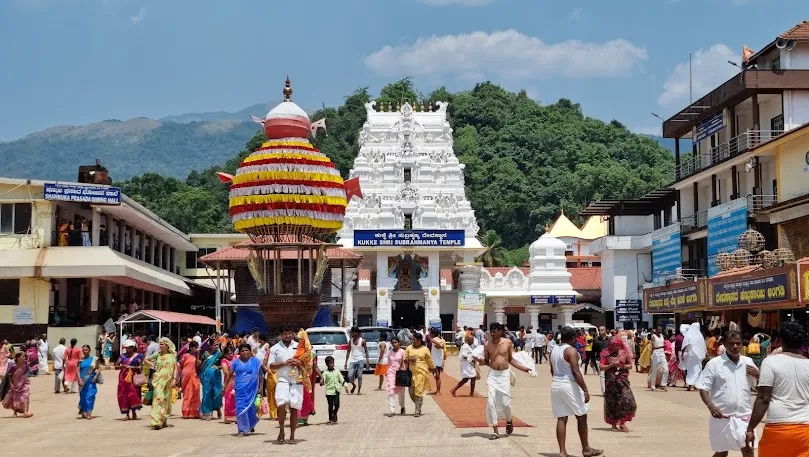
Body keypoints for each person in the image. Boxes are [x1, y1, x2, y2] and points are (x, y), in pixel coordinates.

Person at [746, 321, 809, 457]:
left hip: (778, 428)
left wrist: (750, 428)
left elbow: (763, 399)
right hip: (806, 430)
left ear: (780, 340)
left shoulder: (771, 362)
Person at [696, 330, 759, 457]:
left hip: (744, 417)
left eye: (738, 343)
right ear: (724, 344)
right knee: (722, 452)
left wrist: (759, 375)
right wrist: (711, 406)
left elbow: (760, 387)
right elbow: (703, 387)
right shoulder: (714, 364)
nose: (735, 346)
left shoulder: (748, 363)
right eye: (731, 343)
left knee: (748, 450)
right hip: (722, 418)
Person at [551, 326, 602, 457]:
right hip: (569, 385)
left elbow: (552, 370)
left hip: (556, 385)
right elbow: (576, 371)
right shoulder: (571, 351)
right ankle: (586, 448)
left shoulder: (554, 349)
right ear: (573, 338)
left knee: (562, 417)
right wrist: (585, 389)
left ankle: (562, 452)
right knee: (582, 416)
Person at [483, 322, 530, 439]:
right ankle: (495, 430)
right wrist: (477, 360)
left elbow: (511, 360)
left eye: (494, 331)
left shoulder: (507, 342)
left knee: (505, 403)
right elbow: (486, 361)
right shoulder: (487, 344)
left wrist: (523, 369)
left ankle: (509, 420)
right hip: (492, 376)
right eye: (491, 331)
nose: (492, 334)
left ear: (500, 332)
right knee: (491, 402)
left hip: (504, 376)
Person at [269, 324, 303, 443]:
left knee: (294, 408)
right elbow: (271, 365)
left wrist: (298, 362)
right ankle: (282, 430)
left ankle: (292, 436)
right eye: (285, 334)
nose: (288, 336)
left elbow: (306, 362)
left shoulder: (299, 346)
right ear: (281, 335)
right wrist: (284, 363)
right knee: (281, 405)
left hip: (296, 381)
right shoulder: (275, 348)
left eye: (289, 333)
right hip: (282, 380)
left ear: (292, 334)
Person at [600, 335, 637, 432]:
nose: (614, 347)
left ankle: (622, 422)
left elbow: (630, 365)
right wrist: (611, 365)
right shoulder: (606, 354)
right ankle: (614, 424)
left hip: (623, 381)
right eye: (612, 345)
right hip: (611, 382)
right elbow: (601, 367)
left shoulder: (624, 353)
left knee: (628, 400)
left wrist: (623, 366)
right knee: (612, 402)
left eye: (616, 345)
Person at [232, 343, 267, 437]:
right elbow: (229, 375)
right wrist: (224, 388)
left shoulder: (255, 361)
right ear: (239, 352)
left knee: (251, 409)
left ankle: (250, 425)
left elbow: (261, 376)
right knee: (240, 408)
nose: (245, 352)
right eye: (242, 351)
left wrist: (260, 389)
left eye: (247, 350)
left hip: (252, 390)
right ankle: (242, 429)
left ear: (250, 351)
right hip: (240, 390)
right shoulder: (235, 362)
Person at [145, 337, 177, 430]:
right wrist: (153, 365)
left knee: (166, 400)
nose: (161, 346)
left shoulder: (172, 355)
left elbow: (175, 368)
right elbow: (146, 359)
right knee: (158, 399)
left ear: (167, 345)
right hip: (158, 380)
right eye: (160, 344)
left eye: (162, 344)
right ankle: (157, 421)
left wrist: (175, 379)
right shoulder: (157, 354)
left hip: (168, 381)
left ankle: (164, 420)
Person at [403, 333, 434, 417]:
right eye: (412, 339)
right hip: (411, 373)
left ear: (419, 340)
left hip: (421, 372)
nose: (412, 341)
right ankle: (418, 403)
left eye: (414, 339)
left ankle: (417, 410)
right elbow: (404, 359)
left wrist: (433, 368)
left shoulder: (425, 349)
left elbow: (429, 360)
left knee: (418, 391)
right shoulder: (409, 348)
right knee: (411, 392)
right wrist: (409, 359)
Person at [296, 329, 321, 426]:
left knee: (307, 397)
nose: (300, 341)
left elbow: (315, 366)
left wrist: (321, 376)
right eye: (299, 339)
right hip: (297, 376)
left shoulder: (311, 353)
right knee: (298, 396)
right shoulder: (296, 351)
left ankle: (304, 418)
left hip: (308, 378)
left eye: (301, 339)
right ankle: (297, 417)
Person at [116, 340, 143, 420]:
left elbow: (140, 367)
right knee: (124, 394)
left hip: (133, 377)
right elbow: (116, 366)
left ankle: (134, 412)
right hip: (123, 378)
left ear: (133, 348)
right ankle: (127, 414)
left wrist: (132, 367)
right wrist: (121, 367)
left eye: (129, 348)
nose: (128, 349)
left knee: (133, 394)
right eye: (126, 348)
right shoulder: (122, 356)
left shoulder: (137, 356)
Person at [1, 352, 32, 417]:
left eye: (25, 356)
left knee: (25, 396)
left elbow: (29, 359)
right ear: (18, 358)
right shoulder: (14, 366)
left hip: (24, 383)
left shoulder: (25, 364)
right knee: (15, 397)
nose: (24, 358)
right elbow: (9, 375)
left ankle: (25, 412)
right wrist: (11, 384)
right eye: (23, 356)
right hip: (15, 384)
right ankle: (15, 412)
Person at [320, 356, 347, 424]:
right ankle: (330, 419)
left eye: (333, 363)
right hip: (329, 392)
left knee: (337, 404)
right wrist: (321, 382)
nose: (332, 364)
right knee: (330, 406)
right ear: (327, 364)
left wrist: (346, 386)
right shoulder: (325, 373)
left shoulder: (337, 371)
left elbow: (341, 379)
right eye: (331, 363)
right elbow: (323, 381)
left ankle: (334, 413)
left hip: (336, 390)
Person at [200, 343, 223, 421]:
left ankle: (218, 408)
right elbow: (202, 364)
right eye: (214, 345)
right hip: (206, 376)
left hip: (216, 375)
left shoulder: (219, 354)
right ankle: (208, 413)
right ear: (210, 346)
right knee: (207, 393)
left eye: (217, 345)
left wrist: (218, 367)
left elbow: (223, 364)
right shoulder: (206, 354)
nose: (216, 346)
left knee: (217, 393)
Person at [179, 340, 201, 419]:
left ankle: (194, 412)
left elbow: (198, 364)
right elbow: (181, 365)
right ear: (191, 347)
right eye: (195, 347)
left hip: (193, 375)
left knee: (194, 393)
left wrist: (198, 354)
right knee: (187, 394)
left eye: (197, 347)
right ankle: (186, 412)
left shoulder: (195, 356)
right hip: (186, 375)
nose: (196, 349)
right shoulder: (185, 355)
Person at [77, 345, 101, 420]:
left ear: (90, 350)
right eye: (83, 350)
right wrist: (79, 379)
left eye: (86, 350)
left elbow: (99, 368)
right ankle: (83, 411)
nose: (84, 351)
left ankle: (89, 413)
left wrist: (96, 376)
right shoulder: (80, 360)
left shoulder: (94, 359)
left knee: (90, 396)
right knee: (83, 397)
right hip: (82, 381)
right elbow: (77, 370)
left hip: (91, 381)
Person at [385, 337, 407, 417]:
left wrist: (404, 371)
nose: (394, 344)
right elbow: (388, 363)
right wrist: (386, 372)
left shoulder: (402, 352)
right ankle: (392, 410)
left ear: (399, 343)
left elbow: (405, 363)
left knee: (401, 392)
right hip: (391, 373)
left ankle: (402, 406)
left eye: (395, 342)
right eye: (393, 343)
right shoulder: (389, 353)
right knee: (390, 391)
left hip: (400, 374)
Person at [344, 327, 369, 395]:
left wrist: (367, 361)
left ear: (356, 333)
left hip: (360, 360)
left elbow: (366, 351)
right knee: (350, 376)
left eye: (352, 332)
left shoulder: (362, 341)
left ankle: (359, 391)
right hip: (352, 360)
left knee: (359, 376)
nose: (351, 334)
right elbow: (348, 351)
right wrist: (346, 362)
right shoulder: (350, 341)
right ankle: (354, 385)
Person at [684, 322, 708, 391]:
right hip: (697, 356)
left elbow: (685, 345)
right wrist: (704, 353)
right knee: (697, 370)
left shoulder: (688, 335)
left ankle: (690, 384)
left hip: (689, 355)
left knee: (690, 370)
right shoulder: (699, 336)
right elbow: (702, 346)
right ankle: (693, 384)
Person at [220, 346, 236, 424]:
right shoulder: (224, 361)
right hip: (229, 381)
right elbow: (226, 372)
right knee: (229, 399)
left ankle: (236, 417)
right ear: (225, 354)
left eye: (231, 353)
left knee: (236, 399)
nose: (230, 355)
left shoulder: (235, 358)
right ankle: (229, 418)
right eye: (228, 354)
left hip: (237, 381)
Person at [649, 326, 669, 392]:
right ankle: (652, 385)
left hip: (662, 352)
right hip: (656, 352)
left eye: (661, 329)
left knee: (666, 369)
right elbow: (652, 346)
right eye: (659, 329)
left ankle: (663, 384)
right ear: (656, 330)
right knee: (655, 370)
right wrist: (651, 355)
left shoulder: (662, 336)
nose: (660, 330)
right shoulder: (653, 336)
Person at [429, 328, 446, 395]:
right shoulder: (437, 339)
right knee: (436, 376)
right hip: (436, 360)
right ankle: (437, 390)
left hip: (437, 361)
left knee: (437, 376)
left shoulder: (436, 340)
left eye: (430, 333)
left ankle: (438, 391)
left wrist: (434, 341)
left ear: (433, 334)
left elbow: (440, 346)